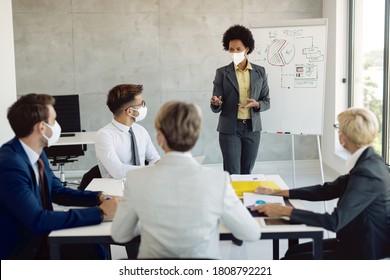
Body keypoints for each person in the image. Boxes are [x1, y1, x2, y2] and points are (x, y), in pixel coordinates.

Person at [111, 100, 261, 259]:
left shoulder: (136, 179)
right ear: (196, 136)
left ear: (160, 137)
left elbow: (120, 235)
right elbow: (251, 233)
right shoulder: (218, 180)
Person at [252, 107, 390, 260]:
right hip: (353, 240)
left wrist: (284, 211)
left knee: (289, 260)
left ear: (344, 137)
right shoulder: (369, 161)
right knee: (293, 252)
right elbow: (328, 190)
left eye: (338, 128)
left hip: (364, 252)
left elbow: (334, 221)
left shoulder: (367, 173)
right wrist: (279, 192)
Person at [0, 93, 119, 260]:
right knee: (93, 249)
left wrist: (99, 197)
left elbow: (58, 191)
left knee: (96, 246)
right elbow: (37, 220)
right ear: (42, 128)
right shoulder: (10, 165)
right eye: (54, 120)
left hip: (39, 238)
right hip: (22, 250)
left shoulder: (36, 153)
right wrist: (99, 214)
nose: (57, 126)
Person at [210, 24, 270, 175]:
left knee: (247, 172)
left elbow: (266, 101)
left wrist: (257, 105)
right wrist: (216, 103)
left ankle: (244, 199)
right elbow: (216, 103)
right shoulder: (222, 73)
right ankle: (232, 199)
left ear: (247, 49)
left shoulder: (259, 71)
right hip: (230, 129)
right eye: (231, 49)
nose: (234, 52)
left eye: (238, 49)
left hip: (252, 128)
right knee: (233, 172)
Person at [95, 84, 160, 179]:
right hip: (117, 190)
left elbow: (154, 159)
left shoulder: (141, 130)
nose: (144, 107)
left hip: (144, 185)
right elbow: (118, 171)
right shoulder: (105, 135)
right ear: (130, 111)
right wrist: (150, 170)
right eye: (142, 104)